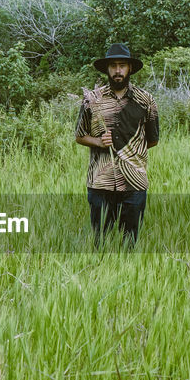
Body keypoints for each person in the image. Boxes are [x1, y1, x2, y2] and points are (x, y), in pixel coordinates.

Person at [75, 43, 159, 248]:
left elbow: (153, 139)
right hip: (100, 182)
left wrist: (129, 154)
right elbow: (79, 135)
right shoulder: (92, 100)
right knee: (99, 241)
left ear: (130, 68)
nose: (118, 70)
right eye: (113, 66)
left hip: (134, 182)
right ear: (107, 69)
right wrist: (99, 142)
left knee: (129, 242)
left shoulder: (145, 100)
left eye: (122, 65)